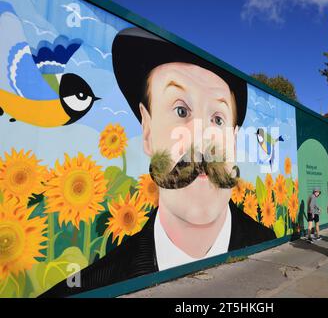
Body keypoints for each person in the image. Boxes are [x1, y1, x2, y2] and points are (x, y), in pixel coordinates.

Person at [40, 27, 275, 297]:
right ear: (147, 130)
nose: (200, 140)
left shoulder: (267, 243)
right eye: (181, 110)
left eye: (217, 119)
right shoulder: (95, 284)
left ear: (233, 140)